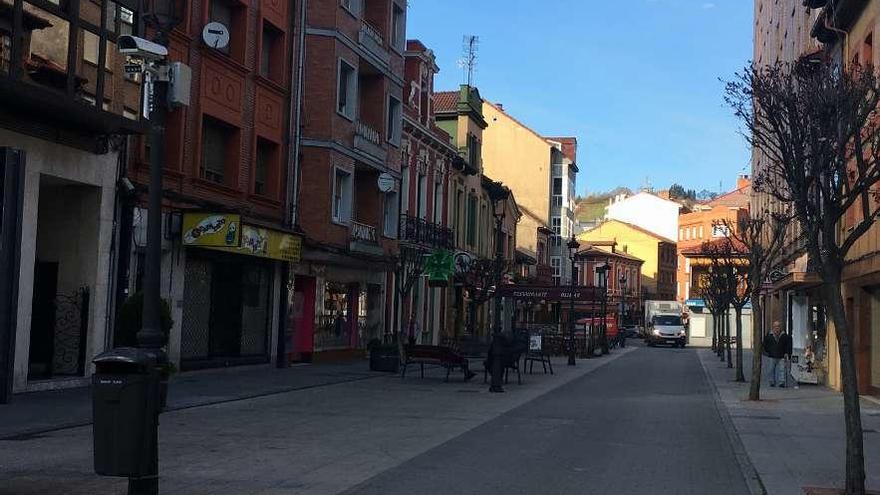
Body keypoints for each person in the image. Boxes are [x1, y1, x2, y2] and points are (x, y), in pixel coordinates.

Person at [763, 321, 793, 387]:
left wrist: (787, 353)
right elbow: (765, 344)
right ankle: (772, 382)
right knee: (771, 369)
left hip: (781, 355)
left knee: (782, 369)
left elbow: (788, 345)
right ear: (773, 327)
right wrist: (767, 352)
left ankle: (781, 382)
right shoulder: (769, 335)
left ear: (780, 327)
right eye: (775, 326)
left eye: (778, 326)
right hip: (772, 355)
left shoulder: (784, 336)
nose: (777, 328)